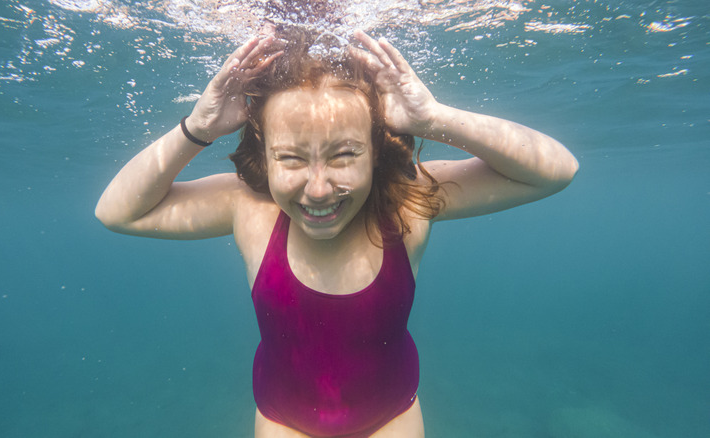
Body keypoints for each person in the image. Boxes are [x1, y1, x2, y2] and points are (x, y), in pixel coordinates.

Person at [95, 26, 578, 438]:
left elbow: (555, 169)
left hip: (393, 417)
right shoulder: (248, 208)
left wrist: (434, 119)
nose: (319, 188)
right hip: (283, 421)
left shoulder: (406, 201)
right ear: (263, 158)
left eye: (345, 154)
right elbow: (117, 212)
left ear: (377, 150)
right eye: (291, 158)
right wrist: (197, 128)